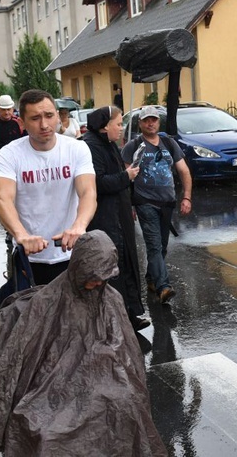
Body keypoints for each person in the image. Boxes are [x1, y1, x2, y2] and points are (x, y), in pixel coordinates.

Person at [0, 230, 167, 456]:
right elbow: (17, 357)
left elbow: (126, 351)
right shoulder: (47, 301)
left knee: (124, 402)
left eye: (102, 279)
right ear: (78, 269)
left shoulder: (111, 298)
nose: (96, 284)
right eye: (92, 278)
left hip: (105, 372)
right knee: (45, 426)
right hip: (53, 380)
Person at [0, 89, 97, 285]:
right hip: (30, 256)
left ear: (57, 115)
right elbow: (2, 199)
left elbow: (88, 192)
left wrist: (79, 227)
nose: (44, 124)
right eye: (35, 118)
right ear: (22, 123)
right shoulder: (10, 154)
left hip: (71, 252)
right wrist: (22, 235)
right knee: (34, 313)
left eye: (49, 115)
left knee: (75, 313)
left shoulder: (77, 148)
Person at [82, 106, 149, 331]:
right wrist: (126, 176)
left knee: (127, 263)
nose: (121, 128)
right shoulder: (90, 146)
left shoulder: (108, 143)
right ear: (104, 125)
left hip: (119, 213)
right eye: (118, 124)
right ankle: (114, 319)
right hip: (105, 217)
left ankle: (130, 314)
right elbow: (97, 183)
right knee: (112, 267)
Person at [121, 105, 192, 304]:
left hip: (167, 203)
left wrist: (186, 197)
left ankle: (151, 279)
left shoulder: (169, 143)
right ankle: (164, 287)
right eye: (146, 120)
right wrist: (130, 205)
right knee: (153, 245)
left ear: (158, 122)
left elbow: (183, 171)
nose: (150, 123)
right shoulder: (133, 146)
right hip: (145, 202)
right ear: (140, 123)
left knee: (161, 247)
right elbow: (125, 179)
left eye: (153, 119)